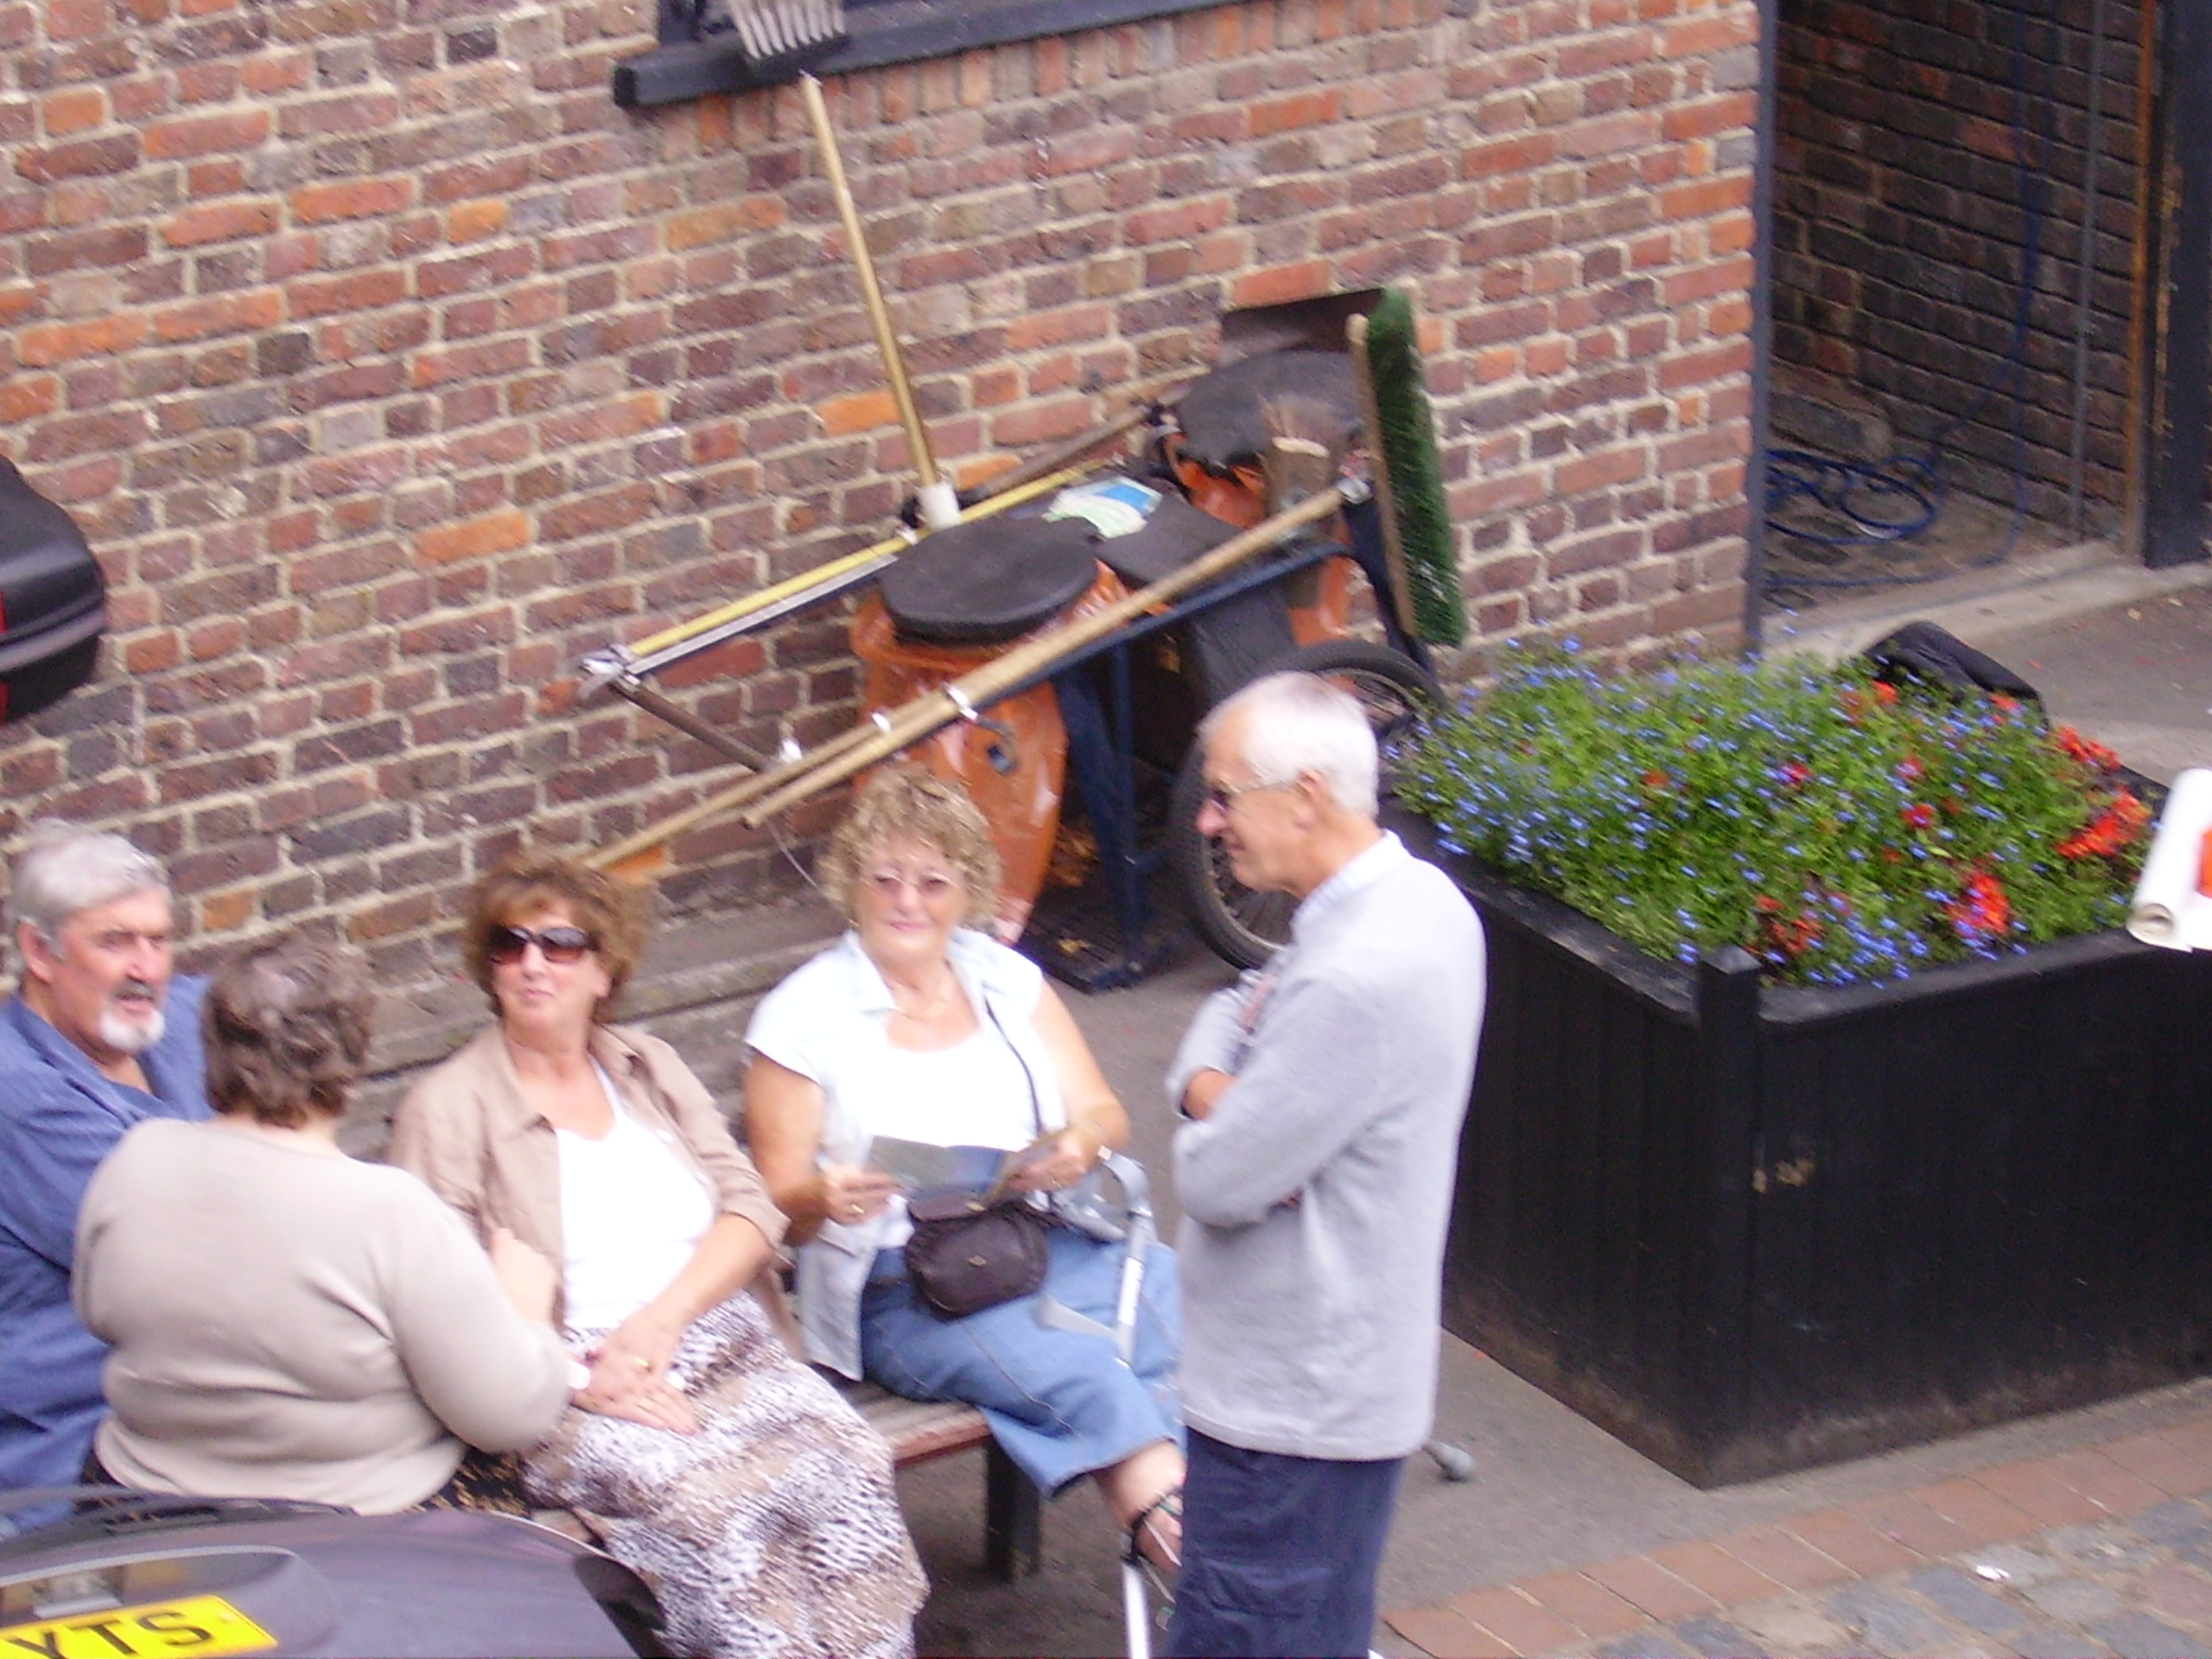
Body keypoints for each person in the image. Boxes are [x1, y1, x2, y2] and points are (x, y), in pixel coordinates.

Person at [387, 851, 925, 1659]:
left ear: (605, 970)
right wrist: (583, 1377)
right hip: (575, 1380)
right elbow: (435, 1312)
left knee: (847, 1463)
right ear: (488, 967)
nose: (533, 963)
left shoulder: (646, 1067)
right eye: (510, 944)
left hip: (720, 1341)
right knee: (712, 1509)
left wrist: (663, 1321)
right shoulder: (448, 1109)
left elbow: (755, 1208)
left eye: (561, 944)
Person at [745, 766, 1186, 1575]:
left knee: (1195, 1318)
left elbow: (1102, 1111)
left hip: (1044, 1245)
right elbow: (772, 1208)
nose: (907, 901)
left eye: (932, 881)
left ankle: (1237, 1586)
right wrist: (822, 1195)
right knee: (1098, 1373)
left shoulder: (1005, 981)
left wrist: (1077, 1145)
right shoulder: (803, 1016)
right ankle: (1221, 1603)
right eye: (884, 879)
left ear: (966, 892)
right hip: (907, 1292)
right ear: (852, 885)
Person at [1165, 671, 1486, 1659]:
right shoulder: (1417, 904)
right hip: (1334, 1393)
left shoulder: (1350, 977)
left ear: (1305, 795)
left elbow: (1216, 1180)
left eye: (1226, 796)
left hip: (1288, 1412)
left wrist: (1210, 1093)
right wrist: (1227, 1083)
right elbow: (1241, 1004)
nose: (1212, 822)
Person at [73, 937, 574, 1512]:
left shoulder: (137, 1157)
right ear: (351, 1054)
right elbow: (509, 1416)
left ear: (212, 1044)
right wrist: (528, 1314)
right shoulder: (390, 1211)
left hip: (141, 1502)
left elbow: (97, 1311)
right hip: (345, 1524)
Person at [0, 822, 211, 1497]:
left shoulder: (175, 1018)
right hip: (80, 1459)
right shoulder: (20, 1095)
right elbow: (202, 1255)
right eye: (114, 942)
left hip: (200, 1413)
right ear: (40, 950)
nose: (144, 968)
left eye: (158, 940)